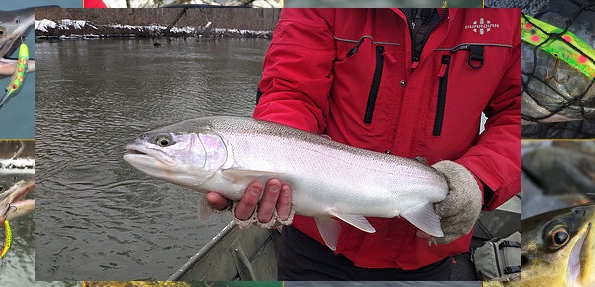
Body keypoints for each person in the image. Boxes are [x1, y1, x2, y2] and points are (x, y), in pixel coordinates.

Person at [208, 8, 521, 280]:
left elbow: (521, 115)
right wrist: (268, 164)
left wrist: (479, 179)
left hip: (426, 253)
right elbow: (291, 91)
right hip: (313, 248)